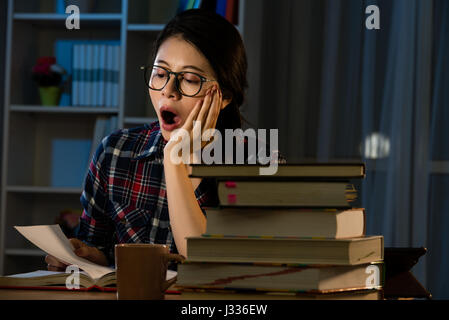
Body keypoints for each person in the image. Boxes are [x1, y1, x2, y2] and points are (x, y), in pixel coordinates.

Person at [45, 8, 249, 271]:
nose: (168, 91)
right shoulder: (115, 152)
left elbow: (210, 267)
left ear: (225, 96)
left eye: (189, 79)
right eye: (161, 74)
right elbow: (95, 246)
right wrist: (88, 256)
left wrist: (175, 161)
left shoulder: (254, 163)